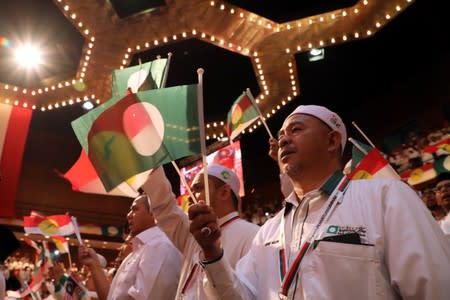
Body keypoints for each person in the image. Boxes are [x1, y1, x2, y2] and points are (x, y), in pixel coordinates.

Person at [188, 104, 450, 299]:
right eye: (280, 136)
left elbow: (435, 288)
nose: (284, 140)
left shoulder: (386, 198)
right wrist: (212, 254)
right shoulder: (268, 232)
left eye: (296, 129)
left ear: (332, 141)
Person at [141, 164, 259, 299]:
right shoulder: (192, 233)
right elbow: (164, 207)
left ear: (224, 192)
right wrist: (149, 160)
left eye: (198, 188)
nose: (190, 197)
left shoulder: (254, 236)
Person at [78, 194, 182, 300]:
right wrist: (94, 264)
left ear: (153, 213)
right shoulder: (141, 249)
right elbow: (112, 297)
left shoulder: (160, 246)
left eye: (135, 209)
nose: (128, 215)